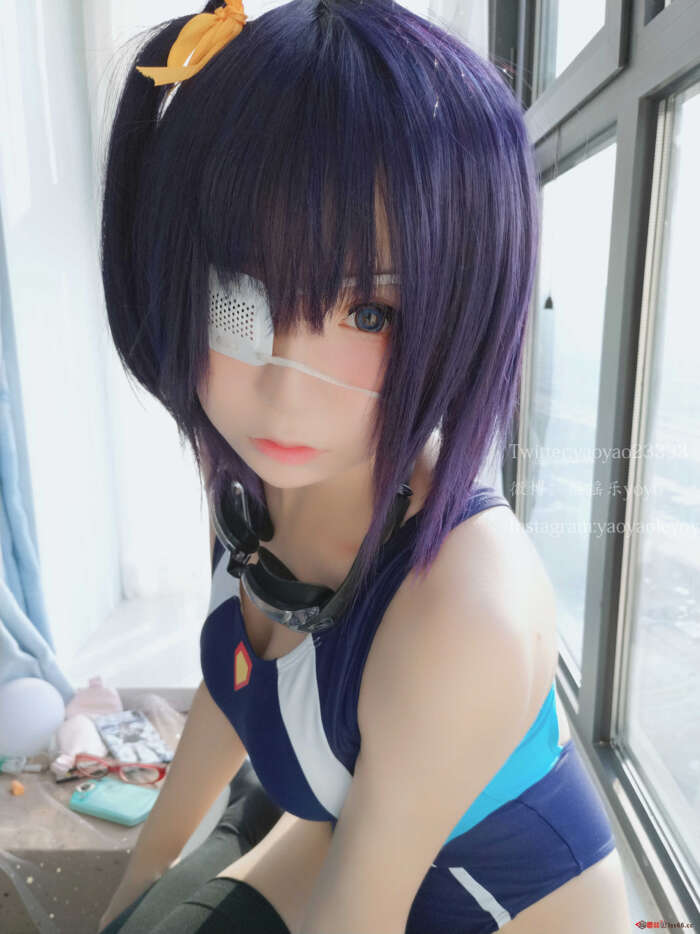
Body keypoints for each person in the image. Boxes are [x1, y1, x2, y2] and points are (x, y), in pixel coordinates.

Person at [97, 0, 632, 931]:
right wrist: (135, 881)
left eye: (371, 314)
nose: (284, 391)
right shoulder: (261, 484)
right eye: (241, 295)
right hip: (347, 823)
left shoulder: (463, 611)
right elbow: (237, 673)